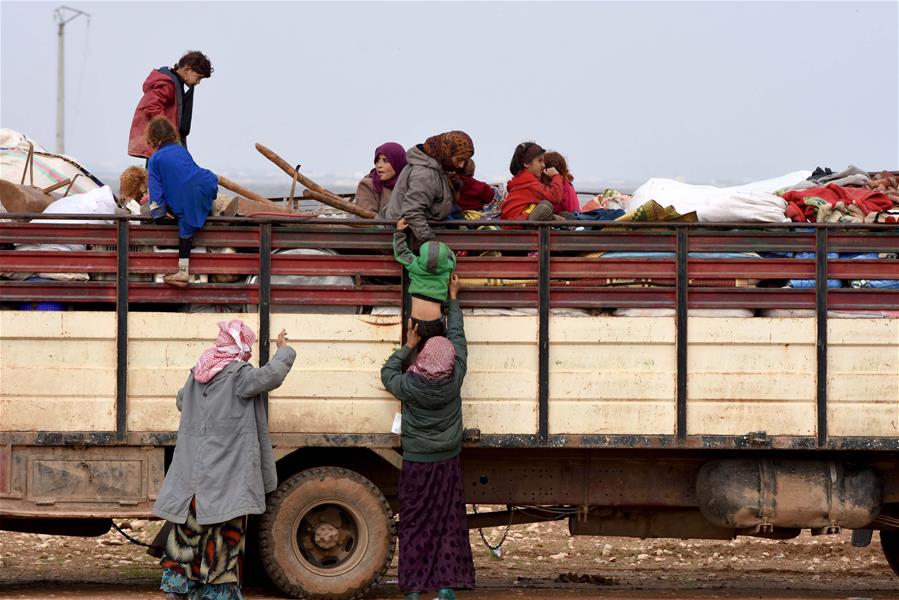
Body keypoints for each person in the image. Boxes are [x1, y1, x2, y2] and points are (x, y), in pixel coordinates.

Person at [152, 321, 296, 600]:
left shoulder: (198, 372)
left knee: (189, 532)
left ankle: (180, 589)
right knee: (223, 537)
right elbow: (273, 375)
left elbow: (182, 401)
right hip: (226, 478)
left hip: (194, 478)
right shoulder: (238, 375)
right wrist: (283, 351)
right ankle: (217, 593)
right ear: (241, 347)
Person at [380, 274, 475, 600]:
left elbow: (387, 373)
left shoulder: (409, 384)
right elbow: (458, 340)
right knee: (447, 523)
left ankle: (415, 590)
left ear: (422, 359)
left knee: (416, 524)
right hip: (447, 463)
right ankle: (446, 587)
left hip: (417, 464)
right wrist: (453, 299)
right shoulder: (454, 378)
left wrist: (408, 344)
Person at [145, 116, 218, 287]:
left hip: (187, 195)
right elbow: (187, 173)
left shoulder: (155, 159)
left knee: (184, 220)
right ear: (172, 134)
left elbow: (155, 191)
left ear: (152, 137)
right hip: (207, 183)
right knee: (193, 211)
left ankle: (183, 272)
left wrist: (158, 213)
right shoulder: (181, 150)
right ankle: (183, 271)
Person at [380, 131, 475, 243]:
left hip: (415, 236)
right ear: (446, 152)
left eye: (465, 161)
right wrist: (432, 244)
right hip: (409, 241)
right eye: (459, 159)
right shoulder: (425, 174)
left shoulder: (436, 167)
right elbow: (413, 214)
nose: (461, 165)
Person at [128, 51, 213, 159]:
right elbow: (151, 106)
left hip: (164, 142)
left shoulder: (175, 83)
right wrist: (167, 131)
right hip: (160, 142)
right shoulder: (167, 84)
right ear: (187, 70)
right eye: (199, 77)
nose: (198, 82)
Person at [394, 217, 456, 343]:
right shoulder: (447, 269)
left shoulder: (415, 266)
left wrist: (400, 232)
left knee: (418, 351)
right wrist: (447, 252)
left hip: (415, 321)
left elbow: (401, 253)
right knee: (435, 353)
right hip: (436, 323)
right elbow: (452, 258)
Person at [500, 142, 564, 224]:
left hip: (513, 223)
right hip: (517, 225)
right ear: (526, 163)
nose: (543, 165)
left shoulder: (521, 181)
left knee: (562, 214)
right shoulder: (530, 184)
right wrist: (556, 176)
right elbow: (555, 197)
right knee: (546, 206)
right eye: (540, 161)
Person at [354, 142, 407, 214]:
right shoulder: (368, 185)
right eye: (377, 160)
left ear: (398, 162)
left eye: (386, 161)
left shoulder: (409, 183)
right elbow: (366, 221)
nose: (379, 165)